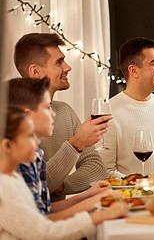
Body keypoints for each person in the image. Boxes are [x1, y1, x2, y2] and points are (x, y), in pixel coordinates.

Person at [0, 105, 129, 239]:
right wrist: (100, 215)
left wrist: (86, 196)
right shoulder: (5, 186)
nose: (38, 143)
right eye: (30, 137)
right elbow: (43, 232)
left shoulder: (14, 178)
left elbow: (41, 213)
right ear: (7, 145)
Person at [7, 77, 122, 221]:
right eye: (48, 107)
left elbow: (43, 210)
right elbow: (37, 226)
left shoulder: (35, 155)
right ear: (28, 113)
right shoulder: (13, 164)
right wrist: (96, 211)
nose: (54, 113)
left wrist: (87, 196)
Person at [14, 33, 109, 201]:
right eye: (59, 62)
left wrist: (63, 186)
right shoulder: (11, 119)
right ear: (35, 71)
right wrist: (76, 143)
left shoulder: (64, 111)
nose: (67, 67)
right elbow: (33, 184)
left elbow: (96, 167)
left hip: (56, 216)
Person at [100, 37, 154, 177]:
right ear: (134, 71)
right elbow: (105, 172)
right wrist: (147, 184)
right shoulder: (108, 113)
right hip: (131, 197)